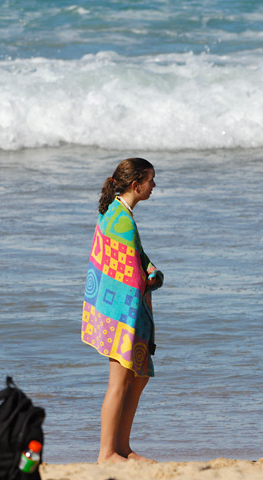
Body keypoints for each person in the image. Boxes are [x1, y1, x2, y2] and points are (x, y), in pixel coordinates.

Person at [81, 157, 164, 463]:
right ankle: (106, 453)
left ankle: (123, 447)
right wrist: (152, 279)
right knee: (118, 382)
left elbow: (135, 258)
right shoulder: (121, 219)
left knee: (136, 378)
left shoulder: (116, 212)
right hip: (121, 313)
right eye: (150, 180)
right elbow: (130, 275)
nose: (154, 186)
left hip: (117, 309)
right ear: (135, 185)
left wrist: (150, 271)